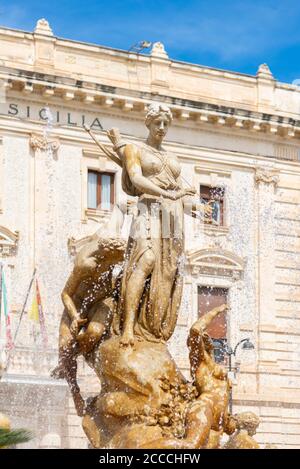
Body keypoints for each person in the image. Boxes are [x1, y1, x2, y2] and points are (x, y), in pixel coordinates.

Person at [116, 103, 212, 346]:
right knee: (145, 260)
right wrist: (164, 193)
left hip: (172, 217)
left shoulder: (171, 158)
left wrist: (198, 209)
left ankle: (154, 330)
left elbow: (182, 196)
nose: (161, 127)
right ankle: (128, 327)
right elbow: (136, 179)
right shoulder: (133, 149)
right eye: (157, 122)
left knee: (167, 273)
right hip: (147, 208)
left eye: (165, 124)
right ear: (147, 123)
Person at [51, 235, 126, 416]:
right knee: (64, 344)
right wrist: (75, 317)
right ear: (107, 255)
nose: (121, 261)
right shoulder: (85, 265)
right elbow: (66, 294)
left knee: (94, 331)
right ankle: (75, 390)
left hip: (101, 301)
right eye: (118, 258)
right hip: (76, 304)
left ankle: (72, 356)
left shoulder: (116, 259)